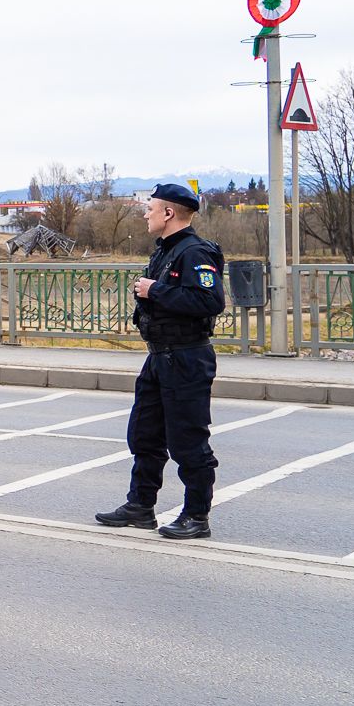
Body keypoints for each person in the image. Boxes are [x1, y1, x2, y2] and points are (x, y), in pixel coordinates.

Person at [96, 183, 225, 540]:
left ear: (169, 213)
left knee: (188, 441)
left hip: (186, 357)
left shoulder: (195, 252)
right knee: (145, 435)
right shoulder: (167, 250)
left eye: (150, 208)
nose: (145, 213)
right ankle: (140, 506)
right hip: (159, 356)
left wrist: (155, 290)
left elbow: (210, 301)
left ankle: (197, 516)